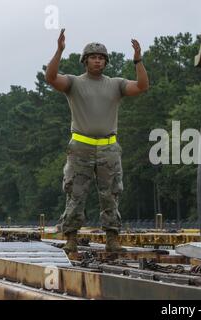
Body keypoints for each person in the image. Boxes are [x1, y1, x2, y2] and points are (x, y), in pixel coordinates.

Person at [45, 29, 149, 253]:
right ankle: (71, 239)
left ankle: (112, 240)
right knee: (76, 194)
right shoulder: (74, 83)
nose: (97, 60)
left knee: (111, 194)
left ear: (105, 62)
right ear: (85, 61)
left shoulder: (116, 84)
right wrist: (59, 50)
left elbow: (142, 86)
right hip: (80, 148)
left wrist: (138, 60)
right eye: (93, 57)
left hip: (108, 149)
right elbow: (51, 77)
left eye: (101, 57)